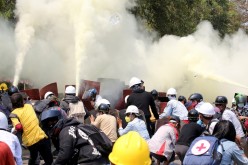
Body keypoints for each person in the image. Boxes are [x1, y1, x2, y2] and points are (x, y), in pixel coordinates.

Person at [40, 110, 108, 165]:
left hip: (88, 161)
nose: (51, 125)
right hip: (102, 159)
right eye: (49, 124)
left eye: (53, 121)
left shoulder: (66, 131)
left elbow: (64, 155)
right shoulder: (78, 127)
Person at [9, 93, 53, 165]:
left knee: (34, 157)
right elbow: (38, 108)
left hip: (30, 141)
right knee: (49, 159)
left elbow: (18, 127)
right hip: (41, 136)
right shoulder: (29, 106)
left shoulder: (13, 114)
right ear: (22, 100)